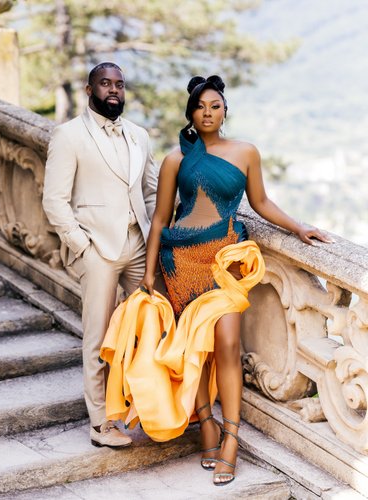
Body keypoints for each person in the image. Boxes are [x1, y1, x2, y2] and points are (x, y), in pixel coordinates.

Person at [137, 75, 332, 486]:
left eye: (216, 106)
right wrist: (150, 271)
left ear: (225, 111)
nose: (208, 113)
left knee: (227, 343)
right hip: (181, 259)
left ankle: (230, 438)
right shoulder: (176, 159)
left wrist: (299, 228)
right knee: (197, 347)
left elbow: (260, 203)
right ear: (190, 113)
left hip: (224, 259)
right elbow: (159, 219)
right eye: (200, 107)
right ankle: (206, 422)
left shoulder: (246, 153)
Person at [42, 62, 158, 448]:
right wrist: (83, 247)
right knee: (98, 336)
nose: (113, 90)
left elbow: (151, 193)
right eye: (105, 83)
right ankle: (100, 423)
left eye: (119, 85)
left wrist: (158, 237)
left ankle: (148, 409)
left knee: (152, 325)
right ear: (89, 90)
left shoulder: (139, 136)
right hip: (97, 249)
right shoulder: (68, 135)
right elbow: (54, 201)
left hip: (138, 244)